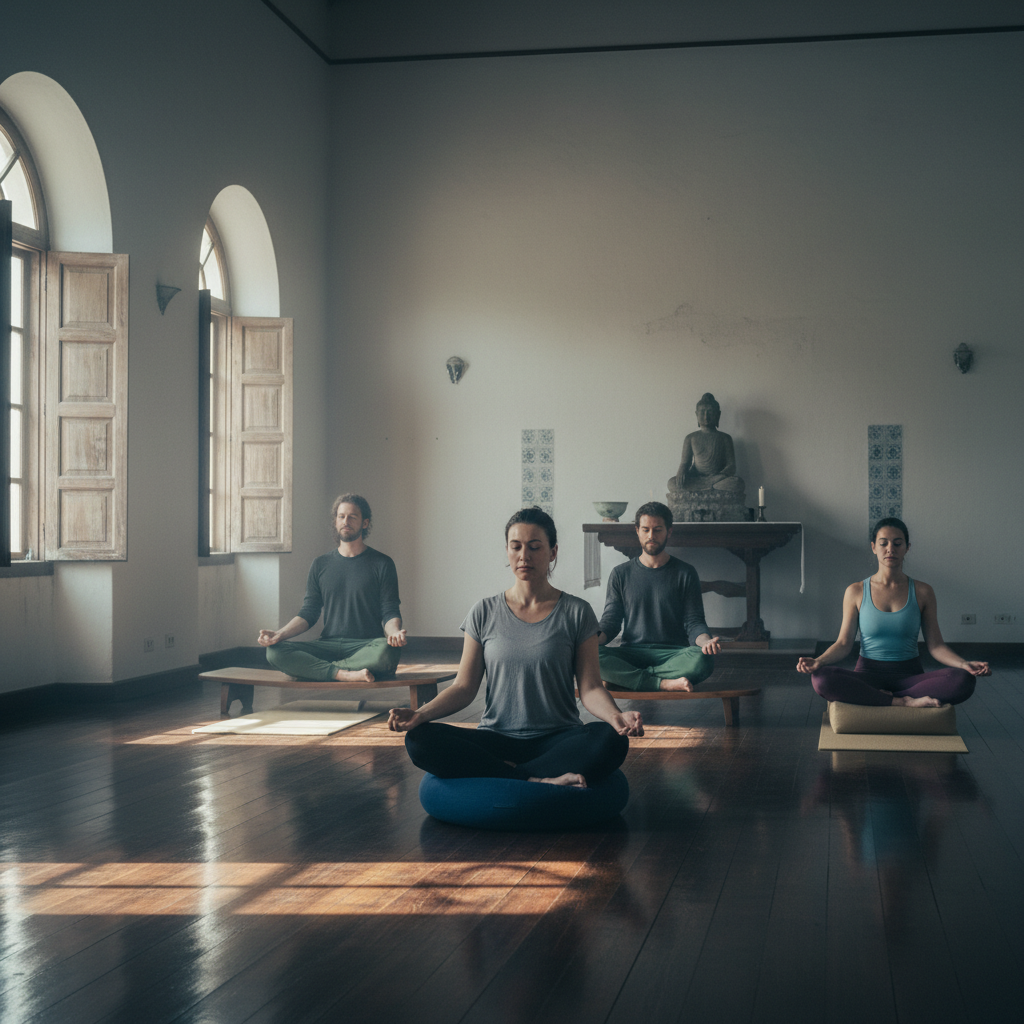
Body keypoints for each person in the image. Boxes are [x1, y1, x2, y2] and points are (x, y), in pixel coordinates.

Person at [388, 507, 643, 789]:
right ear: (507, 551)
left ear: (553, 552)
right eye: (516, 547)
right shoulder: (483, 612)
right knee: (419, 740)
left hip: (557, 739)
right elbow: (463, 687)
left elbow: (591, 688)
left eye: (535, 547)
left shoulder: (577, 612)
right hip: (496, 738)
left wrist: (616, 716)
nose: (524, 556)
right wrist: (420, 715)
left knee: (610, 741)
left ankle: (506, 775)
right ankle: (535, 779)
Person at [796, 517, 988, 706]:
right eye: (883, 543)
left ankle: (879, 698)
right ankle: (902, 702)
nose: (890, 549)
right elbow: (844, 643)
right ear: (873, 547)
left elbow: (936, 646)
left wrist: (963, 664)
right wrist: (818, 661)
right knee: (821, 678)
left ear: (907, 548)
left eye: (897, 543)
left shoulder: (923, 592)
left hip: (911, 678)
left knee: (963, 680)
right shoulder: (855, 591)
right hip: (867, 675)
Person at [258, 494, 407, 682]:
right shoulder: (320, 564)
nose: (346, 521)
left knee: (387, 651)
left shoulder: (382, 563)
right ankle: (345, 674)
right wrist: (279, 634)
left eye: (352, 516)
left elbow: (389, 609)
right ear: (335, 522)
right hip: (327, 644)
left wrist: (394, 633)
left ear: (365, 523)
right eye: (341, 516)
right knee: (274, 652)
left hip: (366, 646)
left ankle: (322, 671)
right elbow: (309, 612)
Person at [596, 501, 722, 692]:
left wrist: (705, 642)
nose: (651, 536)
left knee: (702, 659)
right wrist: (589, 642)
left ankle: (626, 679)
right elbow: (611, 621)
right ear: (637, 530)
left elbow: (694, 621)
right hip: (632, 653)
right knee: (588, 656)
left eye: (657, 530)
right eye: (645, 529)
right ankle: (664, 683)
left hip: (673, 654)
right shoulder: (620, 574)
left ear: (668, 532)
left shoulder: (685, 573)